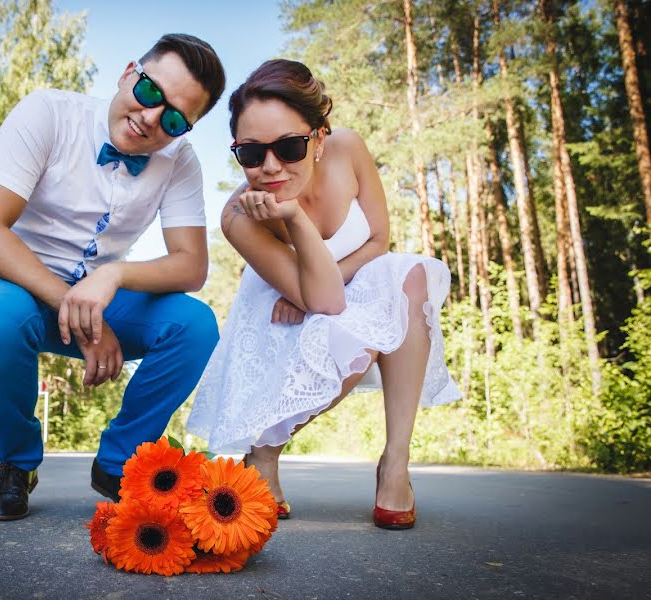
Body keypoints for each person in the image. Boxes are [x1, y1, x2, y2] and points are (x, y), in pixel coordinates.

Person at [0, 34, 226, 521]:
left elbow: (192, 266)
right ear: (128, 72)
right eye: (149, 93)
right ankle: (16, 463)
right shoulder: (49, 113)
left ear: (186, 130)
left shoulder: (180, 163)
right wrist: (73, 308)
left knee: (195, 325)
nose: (150, 118)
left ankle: (120, 462)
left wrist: (115, 275)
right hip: (19, 284)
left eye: (172, 119)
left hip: (102, 298)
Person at [187, 59, 460, 529]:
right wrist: (292, 219)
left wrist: (322, 279)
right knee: (351, 327)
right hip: (283, 307)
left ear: (318, 136)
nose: (270, 167)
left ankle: (395, 463)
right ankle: (265, 453)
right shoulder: (238, 216)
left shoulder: (348, 148)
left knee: (410, 278)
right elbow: (328, 304)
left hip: (352, 277)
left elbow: (378, 242)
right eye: (251, 154)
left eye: (289, 147)